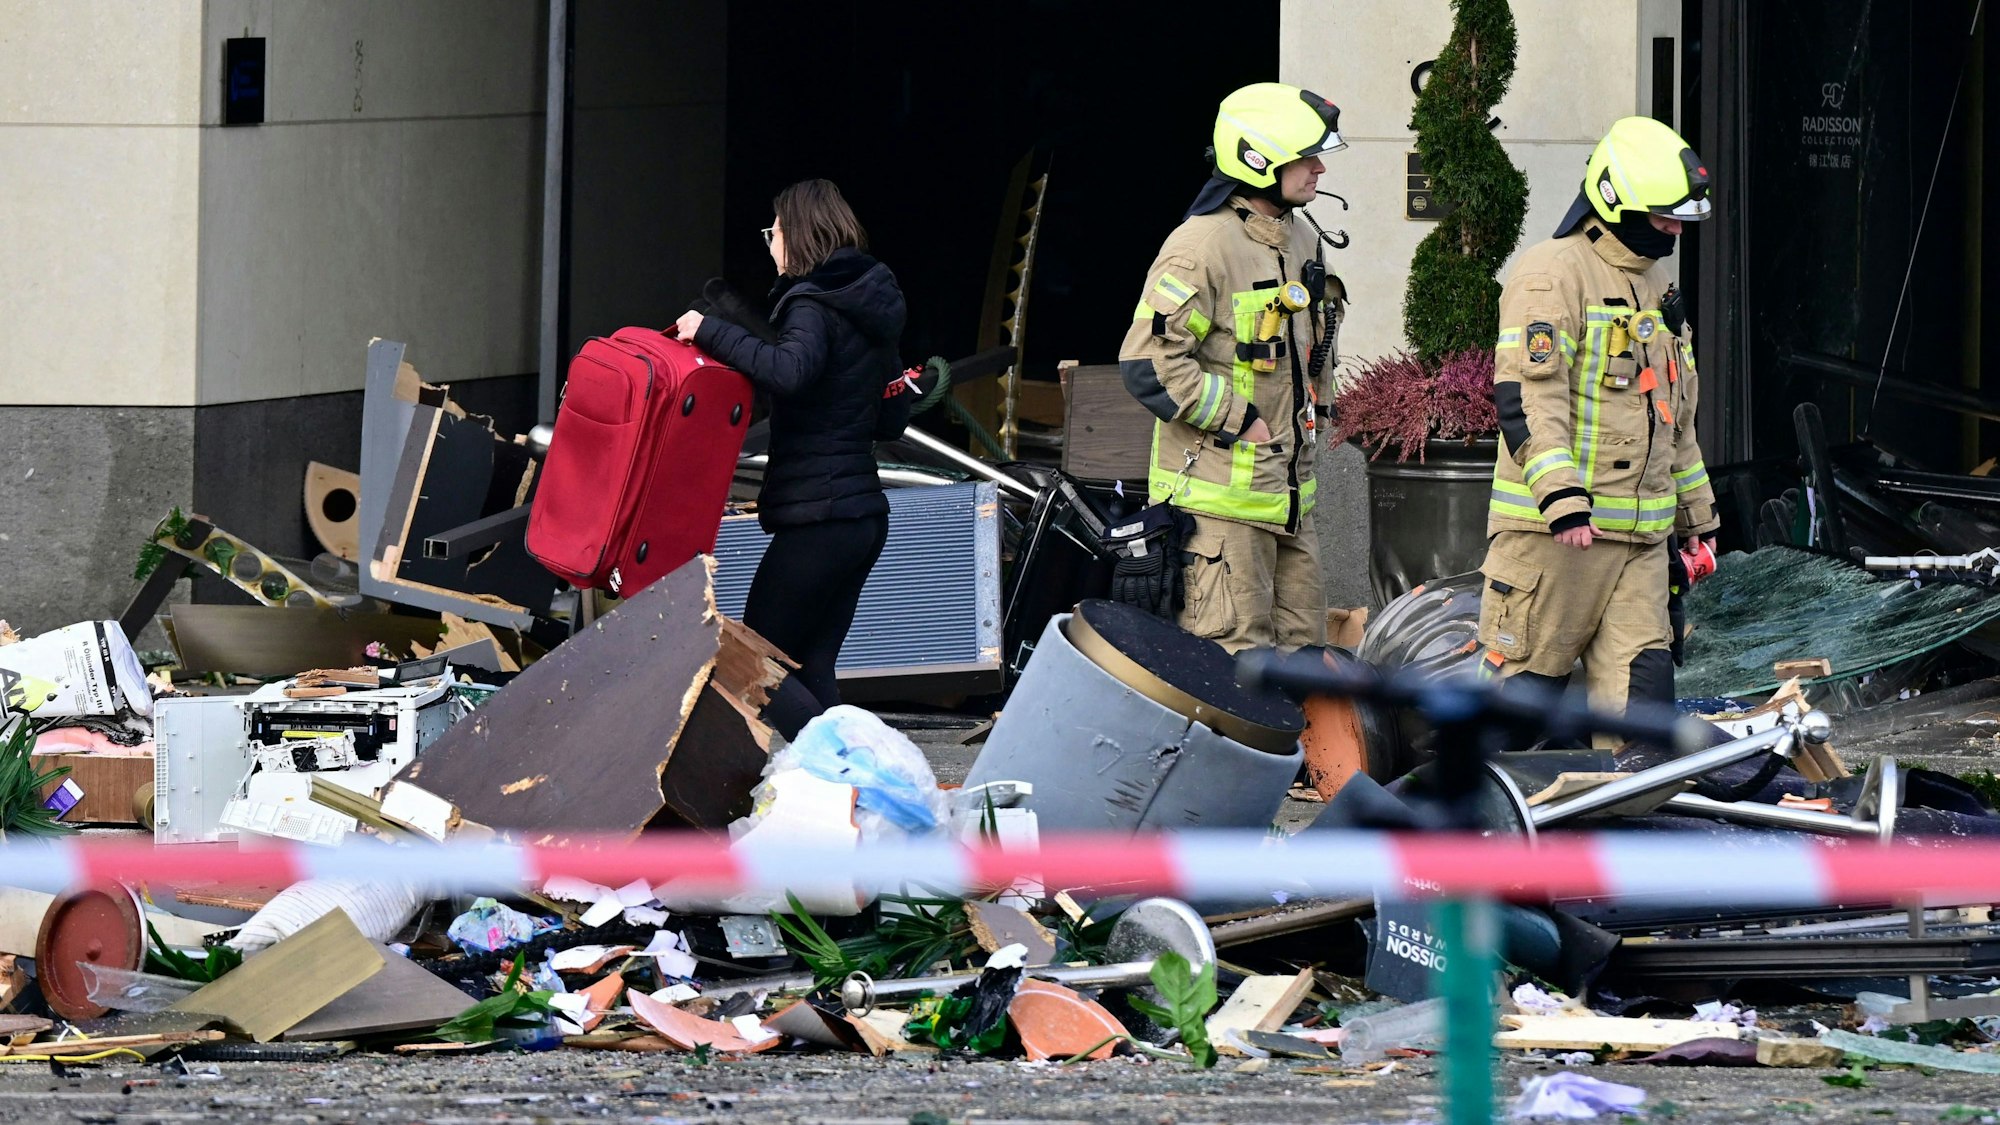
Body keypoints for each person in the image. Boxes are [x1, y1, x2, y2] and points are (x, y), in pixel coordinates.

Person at [1476, 116, 1721, 742]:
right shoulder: (1552, 273)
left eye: (1679, 217)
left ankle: (1623, 832)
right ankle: (1477, 831)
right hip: (1555, 542)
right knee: (1518, 717)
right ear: (1612, 201)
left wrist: (1698, 522)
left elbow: (1677, 415)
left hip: (1641, 544)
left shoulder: (1657, 284)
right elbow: (1530, 395)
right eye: (1662, 216)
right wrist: (1561, 498)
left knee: (1644, 728)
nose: (1673, 229)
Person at [1118, 82, 1349, 652]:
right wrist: (1241, 417)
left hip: (1292, 503)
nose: (1319, 168)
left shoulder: (1301, 239)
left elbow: (1307, 351)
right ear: (1259, 160)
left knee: (1304, 671)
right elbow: (1148, 363)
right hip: (1219, 514)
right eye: (1305, 158)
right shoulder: (1201, 247)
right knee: (1232, 680)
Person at [675, 179, 906, 734]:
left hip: (819, 519)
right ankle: (846, 792)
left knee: (754, 665)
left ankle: (848, 769)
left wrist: (708, 330)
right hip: (863, 517)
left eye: (773, 232)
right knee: (814, 671)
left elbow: (789, 371)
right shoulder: (872, 306)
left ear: (797, 236)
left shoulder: (809, 303)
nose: (770, 244)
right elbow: (890, 420)